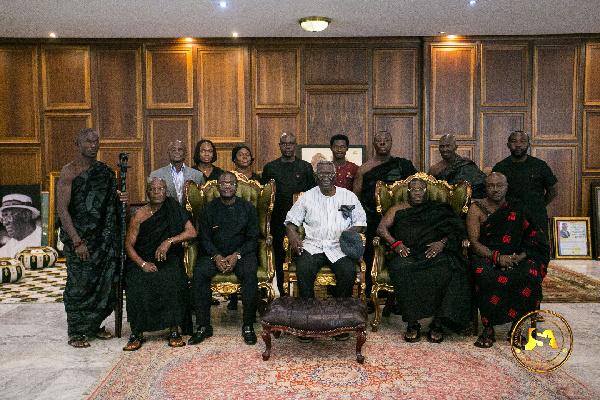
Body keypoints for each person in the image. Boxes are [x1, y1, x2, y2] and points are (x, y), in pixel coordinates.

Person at [56, 127, 128, 348]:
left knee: (104, 282)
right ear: (78, 143)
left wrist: (121, 198)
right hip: (79, 240)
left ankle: (93, 324)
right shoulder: (69, 171)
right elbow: (62, 209)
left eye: (95, 141)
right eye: (87, 141)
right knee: (79, 284)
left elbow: (109, 204)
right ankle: (77, 331)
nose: (92, 145)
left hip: (103, 241)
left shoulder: (105, 172)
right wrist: (77, 240)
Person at [376, 178, 471, 343]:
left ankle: (437, 322)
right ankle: (412, 323)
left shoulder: (439, 208)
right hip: (407, 253)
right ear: (408, 192)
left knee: (448, 269)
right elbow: (381, 228)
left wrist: (442, 243)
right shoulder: (397, 208)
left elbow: (457, 228)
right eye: (414, 189)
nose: (418, 192)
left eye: (421, 189)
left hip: (433, 252)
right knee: (401, 269)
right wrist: (395, 244)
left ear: (426, 192)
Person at [466, 172, 550, 348]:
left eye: (499, 185)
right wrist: (497, 257)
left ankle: (517, 327)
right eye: (490, 186)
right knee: (485, 276)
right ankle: (488, 328)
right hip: (487, 255)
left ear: (506, 187)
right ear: (485, 187)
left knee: (529, 274)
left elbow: (534, 236)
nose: (495, 189)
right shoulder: (477, 208)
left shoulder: (517, 206)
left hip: (517, 255)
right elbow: (474, 243)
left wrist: (522, 255)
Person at [286, 161, 366, 341]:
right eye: (320, 174)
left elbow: (360, 221)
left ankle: (340, 321)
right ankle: (308, 320)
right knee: (304, 270)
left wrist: (348, 234)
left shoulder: (348, 196)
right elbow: (291, 222)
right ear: (315, 177)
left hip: (339, 245)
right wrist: (293, 235)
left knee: (347, 271)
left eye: (328, 173)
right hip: (313, 244)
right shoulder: (306, 197)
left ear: (335, 175)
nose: (324, 177)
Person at [122, 177, 196, 351]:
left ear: (166, 192)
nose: (156, 192)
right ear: (147, 192)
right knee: (137, 280)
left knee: (173, 277)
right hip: (142, 258)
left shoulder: (173, 209)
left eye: (160, 189)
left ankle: (173, 329)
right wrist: (142, 264)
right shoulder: (139, 215)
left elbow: (191, 232)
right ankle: (137, 332)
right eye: (152, 189)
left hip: (167, 257)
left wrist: (169, 241)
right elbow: (128, 245)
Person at [190, 172, 260, 346]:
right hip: (215, 254)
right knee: (199, 273)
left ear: (236, 187)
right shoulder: (208, 209)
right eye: (223, 183)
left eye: (231, 183)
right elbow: (204, 238)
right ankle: (203, 326)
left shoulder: (248, 208)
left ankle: (248, 325)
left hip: (241, 254)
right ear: (217, 186)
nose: (227, 186)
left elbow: (253, 238)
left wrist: (236, 255)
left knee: (250, 273)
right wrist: (216, 256)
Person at [353, 131, 417, 306]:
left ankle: (398, 298)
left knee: (400, 254)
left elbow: (415, 189)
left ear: (391, 143)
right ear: (374, 144)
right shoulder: (364, 169)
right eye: (378, 141)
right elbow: (356, 198)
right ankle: (367, 297)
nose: (382, 143)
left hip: (399, 218)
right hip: (371, 217)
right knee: (369, 255)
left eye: (386, 140)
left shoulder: (403, 165)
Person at [261, 133, 316, 295]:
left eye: (291, 144)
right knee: (279, 255)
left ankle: (301, 293)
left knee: (301, 253)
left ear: (295, 146)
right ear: (279, 145)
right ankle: (283, 294)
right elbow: (265, 196)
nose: (288, 147)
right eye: (284, 144)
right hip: (278, 219)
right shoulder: (270, 167)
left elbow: (312, 194)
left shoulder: (305, 167)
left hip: (302, 221)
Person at [492, 131, 558, 232]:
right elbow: (493, 192)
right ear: (508, 145)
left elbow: (553, 191)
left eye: (522, 141)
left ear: (528, 144)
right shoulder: (500, 167)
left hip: (535, 218)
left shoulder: (540, 165)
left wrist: (539, 206)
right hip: (508, 218)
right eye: (514, 141)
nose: (518, 144)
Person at [428, 134, 486, 199]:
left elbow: (481, 186)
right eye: (442, 146)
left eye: (448, 146)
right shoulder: (434, 169)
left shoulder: (466, 165)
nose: (444, 149)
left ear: (455, 147)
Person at [149, 140, 205, 205]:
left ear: (185, 153)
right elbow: (150, 202)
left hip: (189, 214)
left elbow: (202, 202)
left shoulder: (197, 175)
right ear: (168, 152)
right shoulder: (156, 175)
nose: (176, 152)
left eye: (180, 149)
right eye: (173, 150)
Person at [0, 194, 42, 258]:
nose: (5, 223)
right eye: (3, 218)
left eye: (8, 216)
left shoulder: (43, 240)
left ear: (26, 215)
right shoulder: (10, 245)